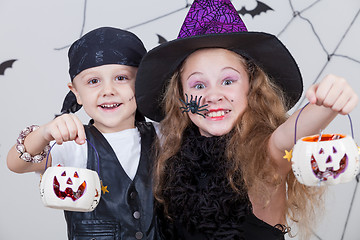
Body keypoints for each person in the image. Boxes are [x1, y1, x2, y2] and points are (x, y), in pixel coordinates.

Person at [134, 0, 358, 239]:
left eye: (228, 81)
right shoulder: (168, 154)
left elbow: (289, 135)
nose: (213, 96)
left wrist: (327, 104)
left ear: (251, 87)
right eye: (199, 85)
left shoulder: (266, 151)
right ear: (180, 96)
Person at [7, 27, 160, 240]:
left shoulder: (165, 137)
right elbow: (15, 163)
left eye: (121, 78)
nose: (108, 91)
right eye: (93, 81)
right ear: (76, 92)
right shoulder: (71, 143)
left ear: (141, 83)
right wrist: (43, 133)